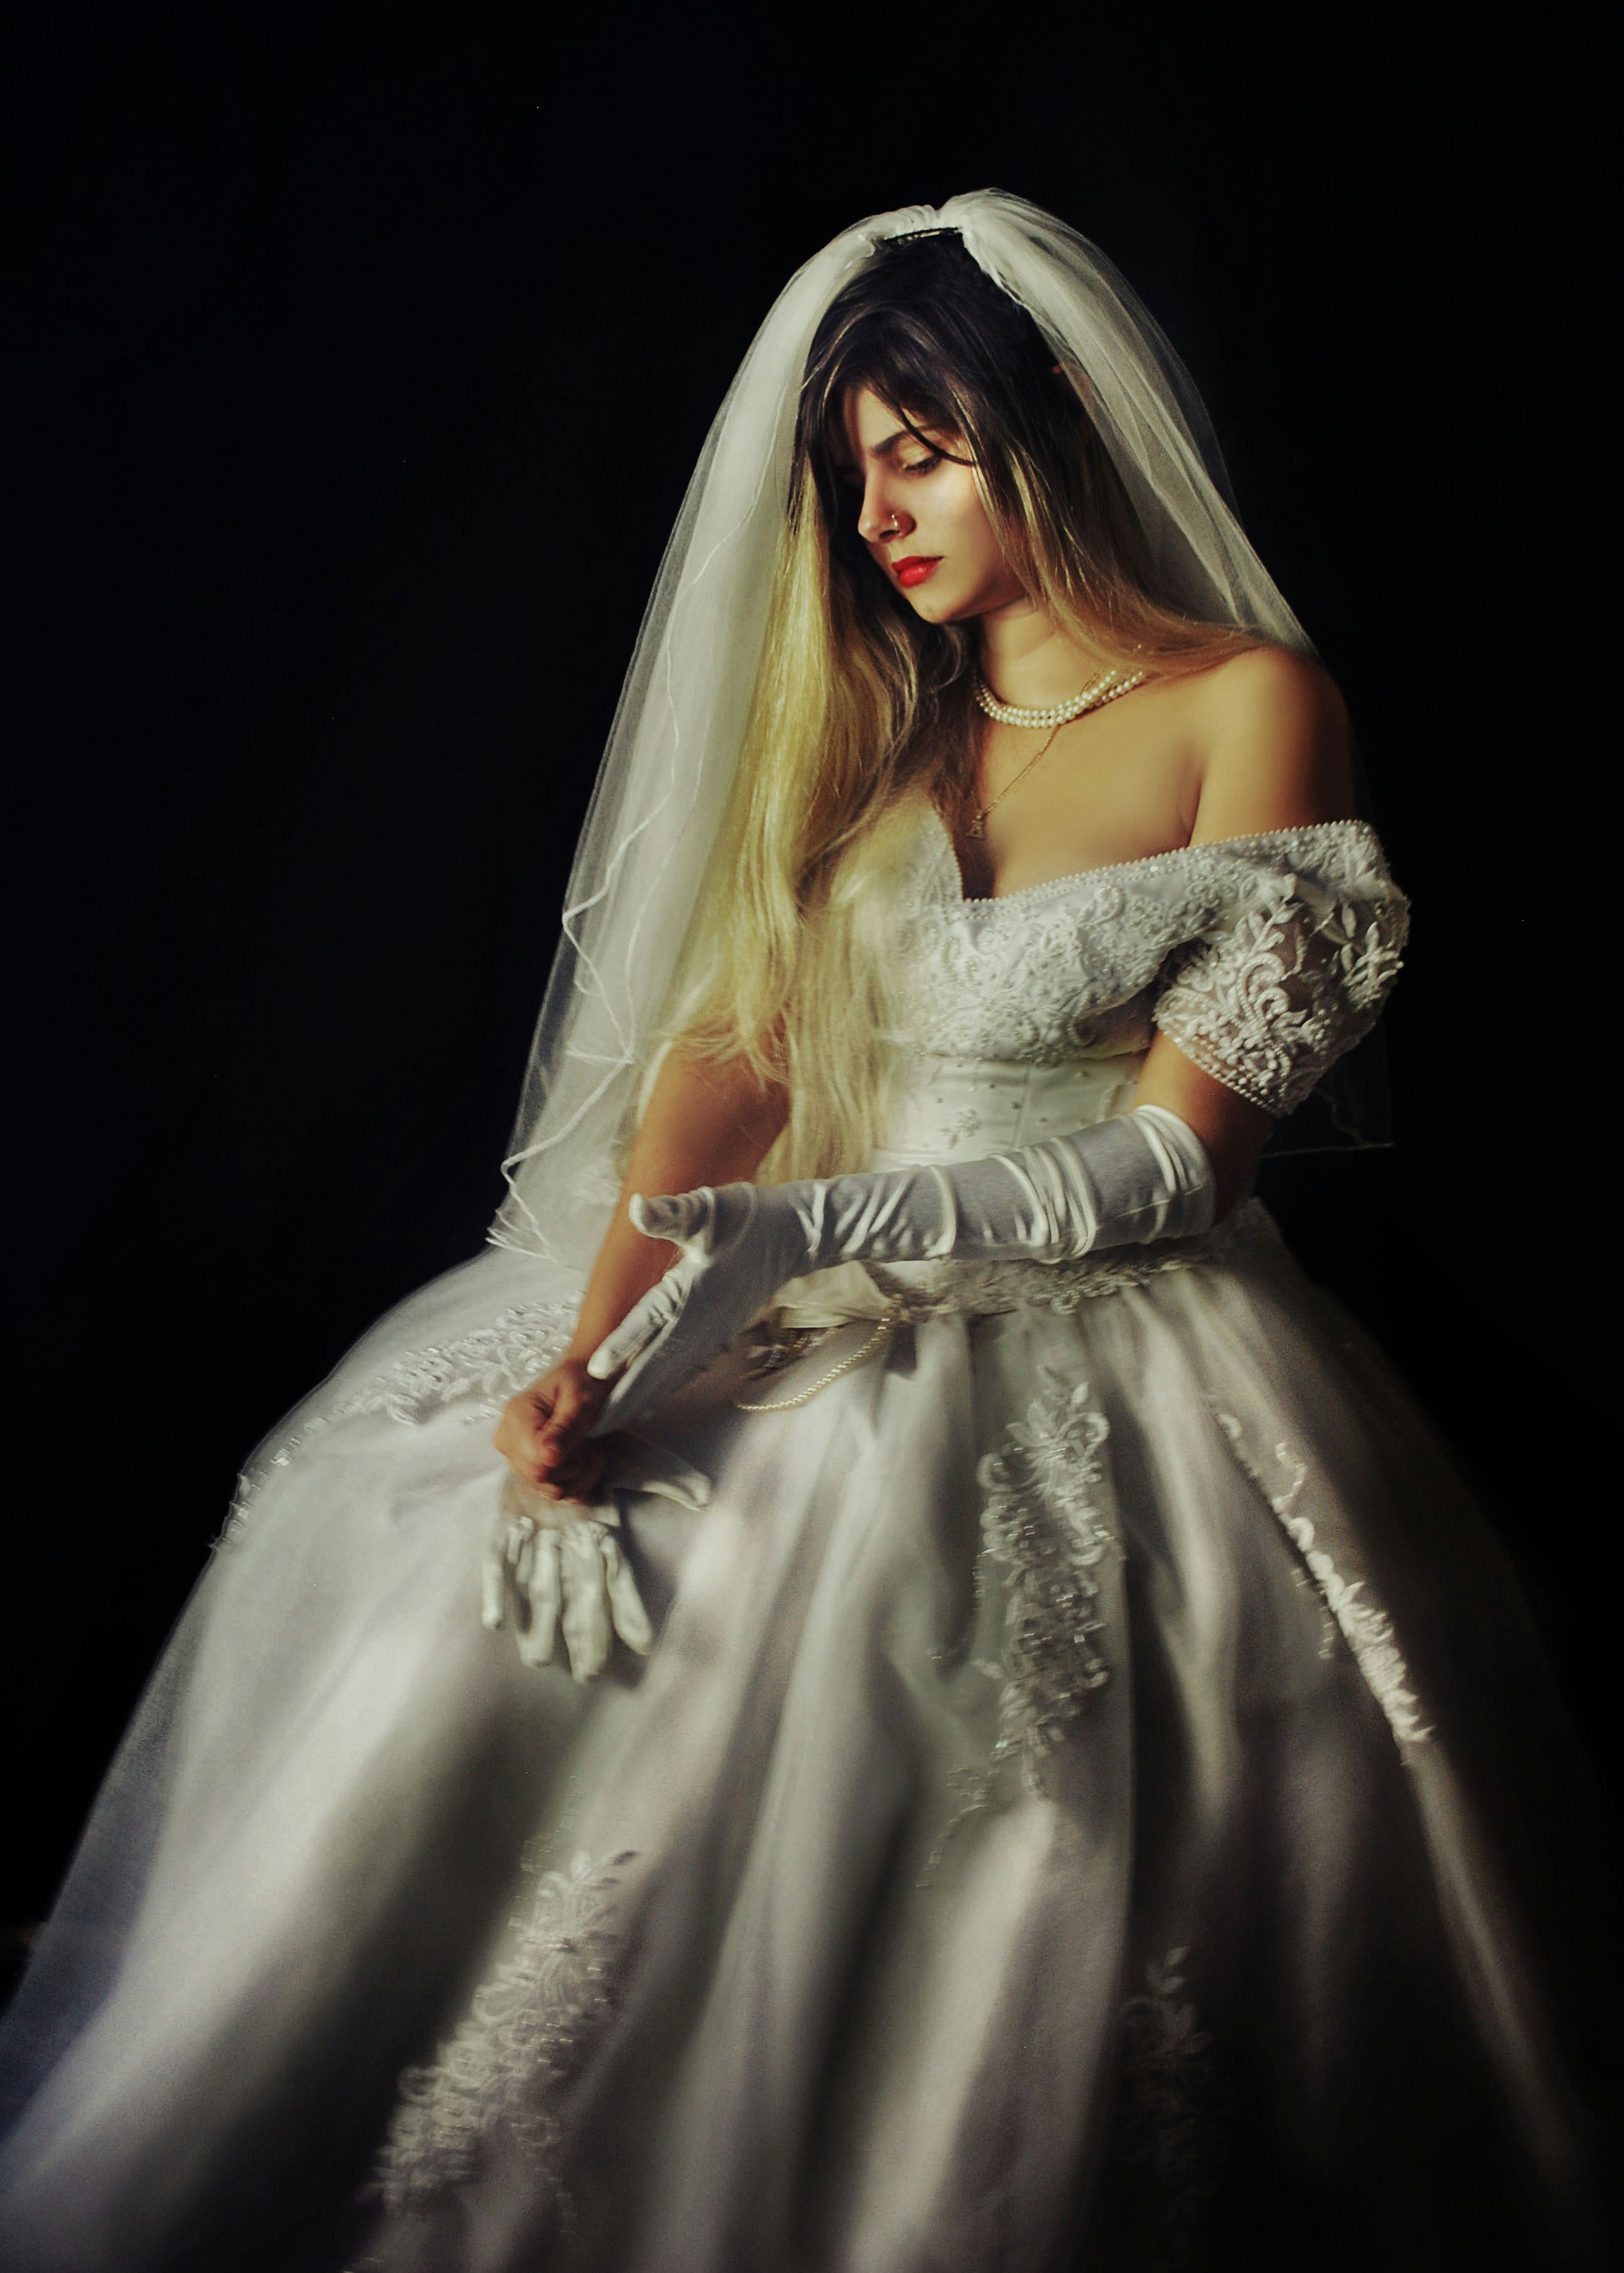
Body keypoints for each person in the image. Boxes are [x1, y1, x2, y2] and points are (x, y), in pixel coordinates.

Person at [0, 192, 1609, 2273]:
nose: (878, 513)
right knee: (433, 1543)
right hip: (772, 1271)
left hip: (1100, 1319)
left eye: (920, 451)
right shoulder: (874, 713)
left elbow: (1179, 1171)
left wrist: (817, 1232)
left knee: (933, 1729)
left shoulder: (1247, 705)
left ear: (1058, 428)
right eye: (856, 472)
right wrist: (595, 1354)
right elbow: (726, 1064)